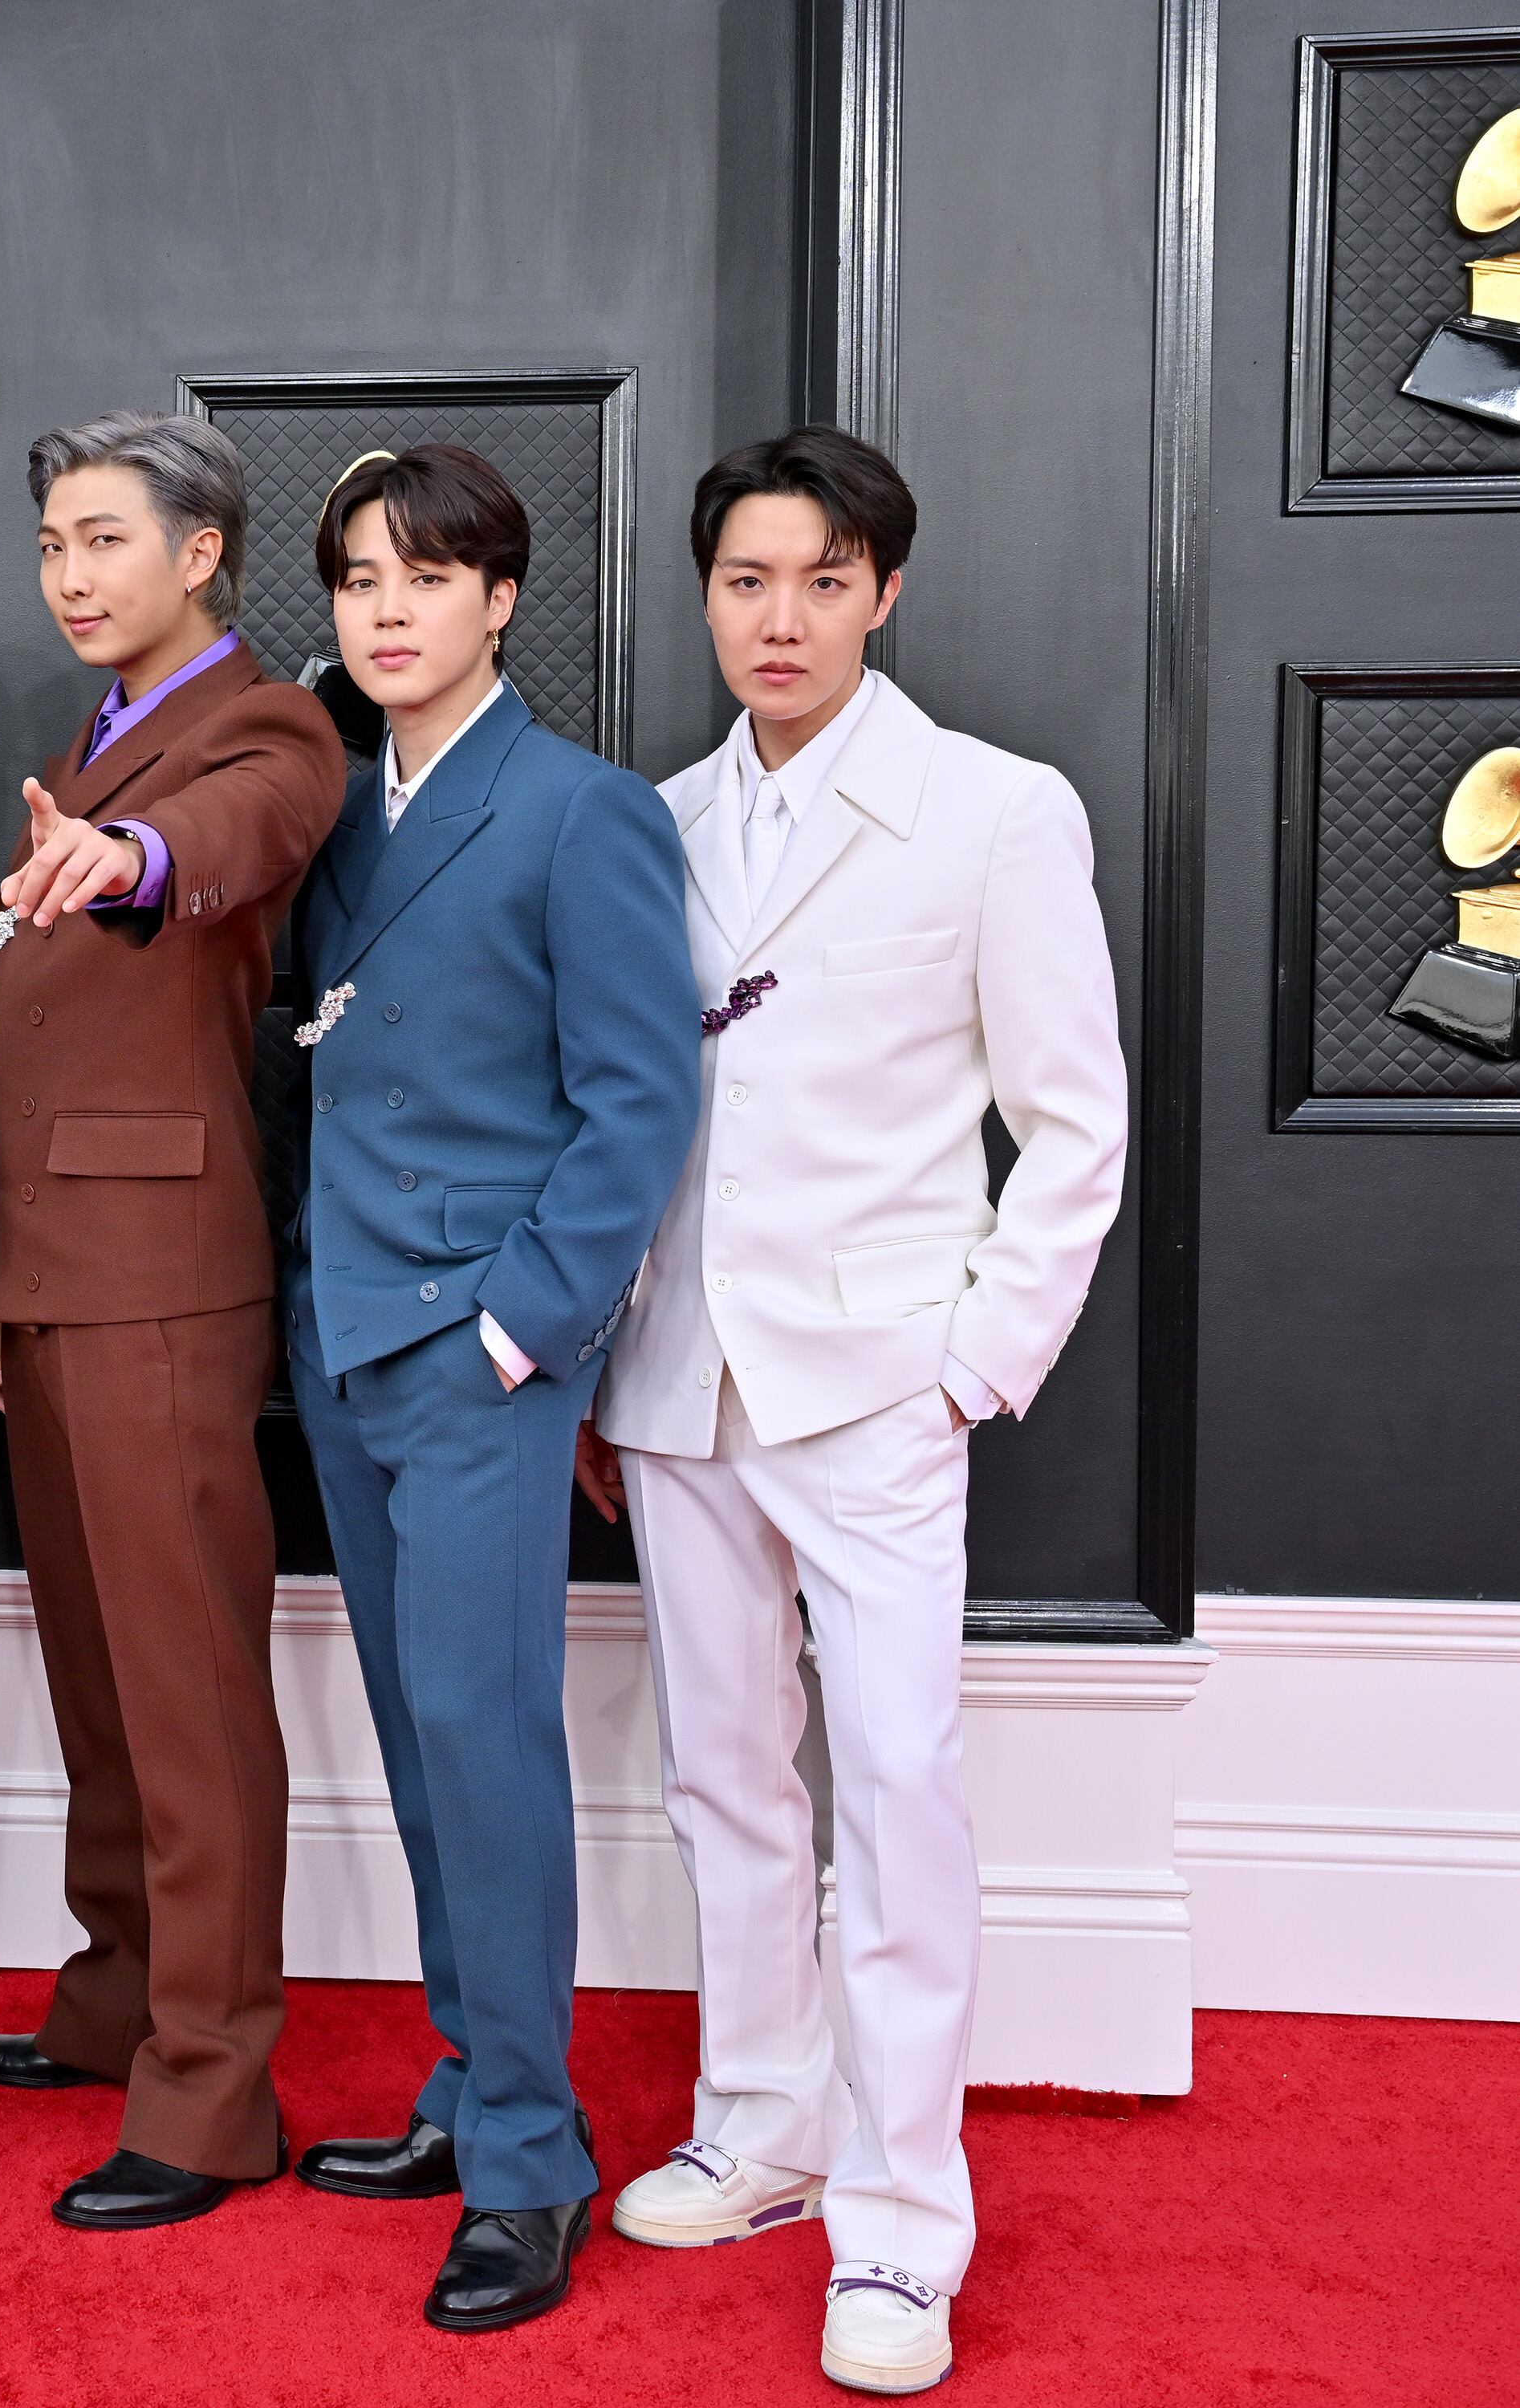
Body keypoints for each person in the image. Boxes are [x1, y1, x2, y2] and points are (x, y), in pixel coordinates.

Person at [585, 428, 1127, 2397]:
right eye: (746, 581)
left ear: (882, 590)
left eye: (821, 581)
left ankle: (904, 2226)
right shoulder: (651, 822)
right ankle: (762, 2125)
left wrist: (980, 1362)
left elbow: (1076, 1123)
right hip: (678, 1386)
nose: (780, 618)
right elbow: (636, 1121)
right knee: (726, 1779)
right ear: (706, 594)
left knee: (899, 1794)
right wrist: (611, 1352)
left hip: (882, 1384)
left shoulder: (993, 811)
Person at [280, 444, 699, 2330]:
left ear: (503, 598)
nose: (387, 608)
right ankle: (467, 2082)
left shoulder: (581, 810)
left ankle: (533, 2154)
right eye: (361, 576)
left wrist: (529, 1333)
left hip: (475, 1345)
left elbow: (641, 1102)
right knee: (420, 1732)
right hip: (340, 1325)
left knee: (489, 1740)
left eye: (426, 578)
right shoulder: (329, 804)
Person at [0, 410, 342, 2228]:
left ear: (200, 554)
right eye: (51, 544)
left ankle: (209, 2093)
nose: (70, 573)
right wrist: (3, 1280)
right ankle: (118, 2006)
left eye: (105, 538)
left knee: (185, 1697)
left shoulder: (262, 726)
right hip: (53, 1279)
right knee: (103, 1681)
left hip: (170, 1290)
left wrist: (128, 863)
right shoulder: (90, 741)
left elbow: (230, 836)